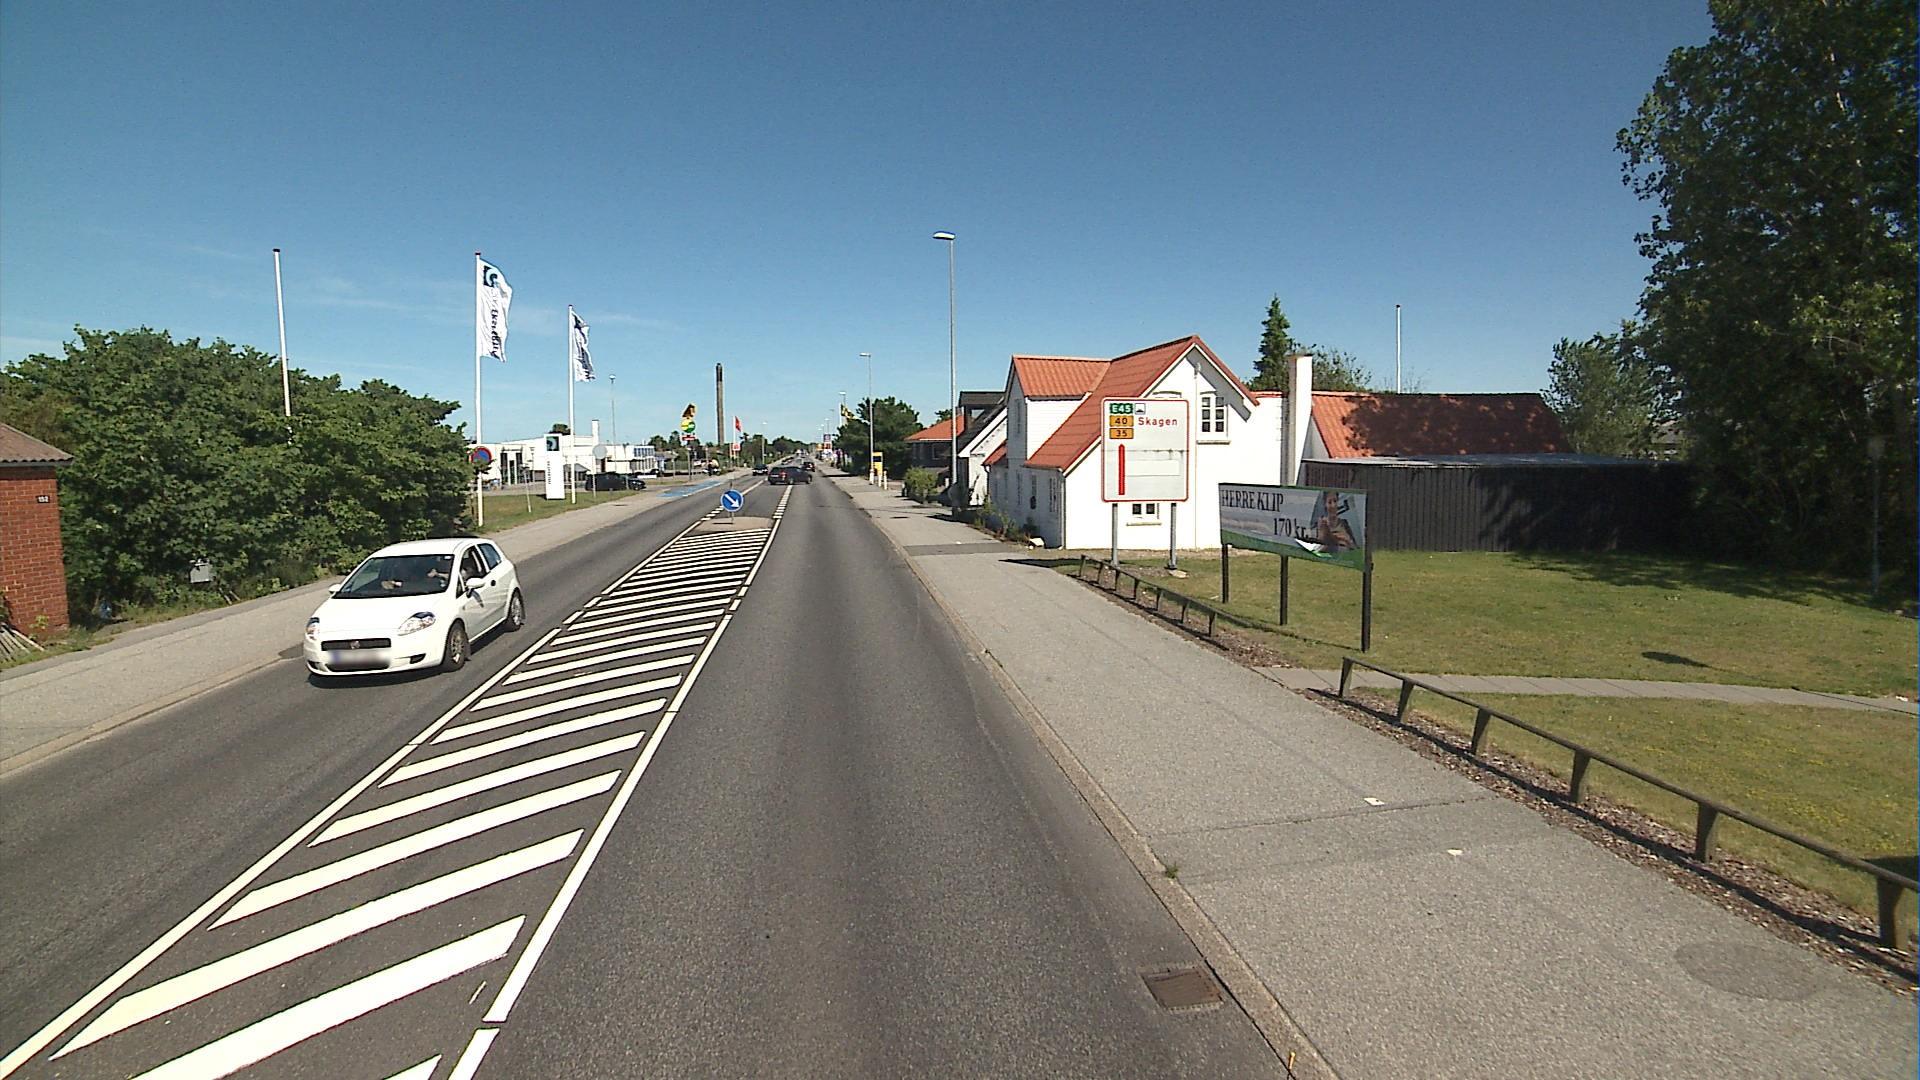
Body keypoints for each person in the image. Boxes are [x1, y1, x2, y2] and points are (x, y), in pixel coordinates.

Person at [1309, 489, 1357, 553]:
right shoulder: (1319, 526)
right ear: (1325, 505)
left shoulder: (1345, 524)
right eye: (1329, 502)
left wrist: (1348, 541)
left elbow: (1355, 549)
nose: (1333, 505)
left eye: (1335, 501)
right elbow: (1313, 550)